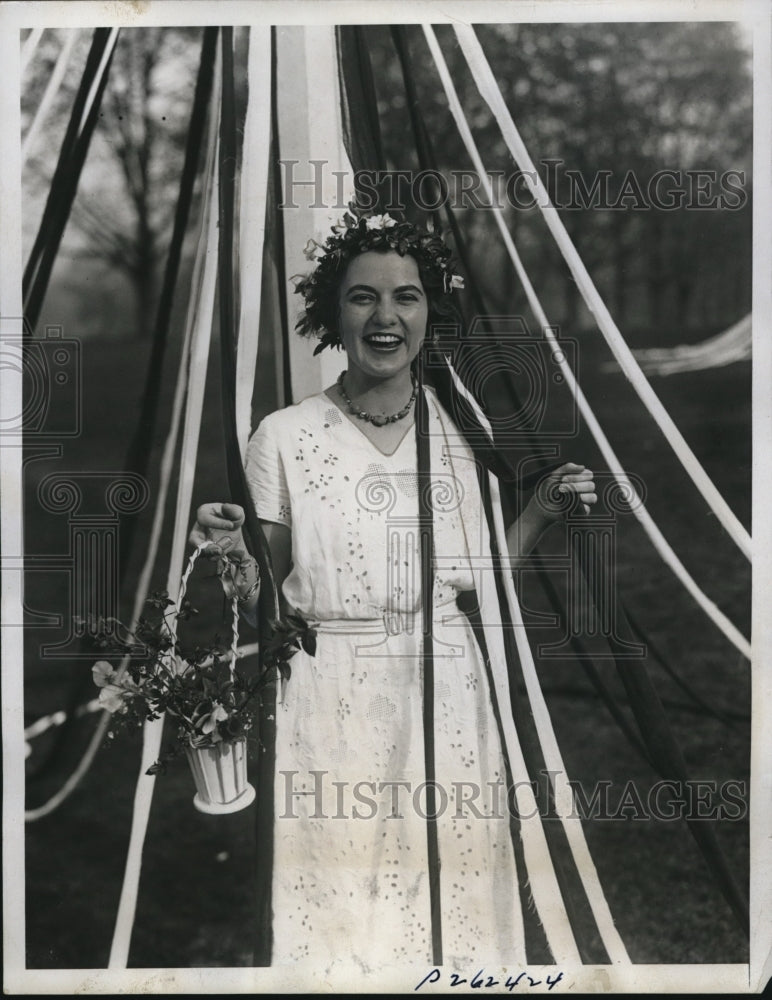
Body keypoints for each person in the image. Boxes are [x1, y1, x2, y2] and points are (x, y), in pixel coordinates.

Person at [189, 210, 597, 972]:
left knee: (453, 892)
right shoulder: (284, 435)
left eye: (405, 297)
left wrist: (539, 508)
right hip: (327, 689)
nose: (385, 317)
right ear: (329, 312)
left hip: (445, 684)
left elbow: (477, 577)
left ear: (428, 313)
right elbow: (260, 599)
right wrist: (224, 546)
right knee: (344, 902)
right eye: (362, 297)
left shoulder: (458, 430)